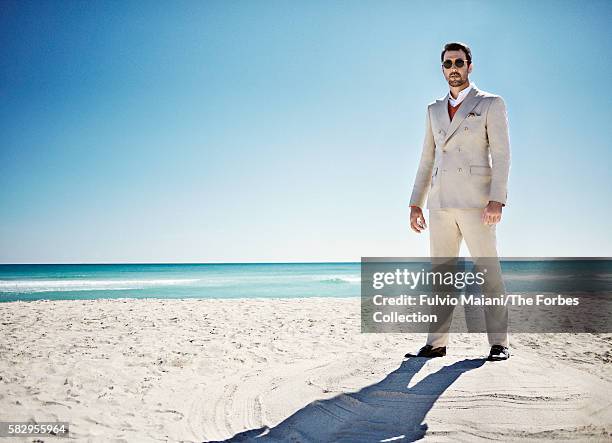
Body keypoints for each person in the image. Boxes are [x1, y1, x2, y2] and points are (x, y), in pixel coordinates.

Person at [407, 42, 511, 361]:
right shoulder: (433, 110)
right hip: (440, 204)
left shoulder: (491, 103)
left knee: (488, 274)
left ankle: (499, 343)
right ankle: (436, 343)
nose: (454, 68)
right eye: (447, 63)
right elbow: (427, 160)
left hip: (478, 204)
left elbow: (502, 155)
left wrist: (497, 200)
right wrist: (415, 203)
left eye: (459, 62)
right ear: (442, 68)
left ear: (470, 66)